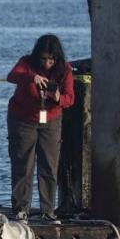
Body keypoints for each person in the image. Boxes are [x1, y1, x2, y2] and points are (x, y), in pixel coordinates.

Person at [7, 34, 75, 223]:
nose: (46, 64)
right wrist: (31, 77)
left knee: (49, 165)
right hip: (22, 118)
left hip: (51, 119)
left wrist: (58, 98)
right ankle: (21, 208)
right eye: (43, 59)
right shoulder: (26, 62)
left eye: (51, 60)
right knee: (23, 163)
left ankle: (48, 210)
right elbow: (11, 76)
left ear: (57, 58)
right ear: (37, 56)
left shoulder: (65, 70)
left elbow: (70, 99)